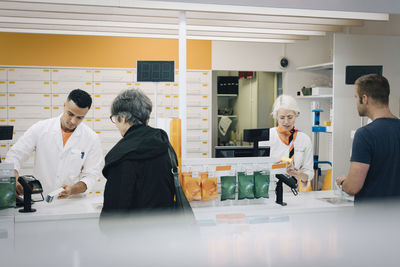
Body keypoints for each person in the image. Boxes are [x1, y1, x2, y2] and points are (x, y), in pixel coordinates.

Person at [5, 89, 103, 198]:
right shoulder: (41, 128)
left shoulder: (91, 138)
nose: (73, 121)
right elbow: (15, 155)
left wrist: (72, 190)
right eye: (70, 114)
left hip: (72, 203)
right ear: (64, 106)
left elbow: (91, 176)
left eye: (79, 117)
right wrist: (14, 179)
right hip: (41, 199)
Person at [100, 88, 175, 218]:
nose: (116, 125)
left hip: (134, 234)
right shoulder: (164, 145)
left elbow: (114, 214)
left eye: (115, 119)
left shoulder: (122, 156)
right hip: (166, 229)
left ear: (122, 118)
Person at [336, 74, 400, 203]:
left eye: (356, 97)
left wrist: (343, 182)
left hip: (371, 217)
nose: (356, 102)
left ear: (364, 98)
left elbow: (353, 187)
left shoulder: (365, 135)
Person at [259, 95, 313, 188]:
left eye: (290, 117)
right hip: (269, 191)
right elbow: (257, 170)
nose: (286, 122)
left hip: (294, 193)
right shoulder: (266, 137)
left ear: (296, 115)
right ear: (276, 117)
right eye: (282, 117)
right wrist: (276, 168)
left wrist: (300, 175)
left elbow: (309, 172)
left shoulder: (304, 139)